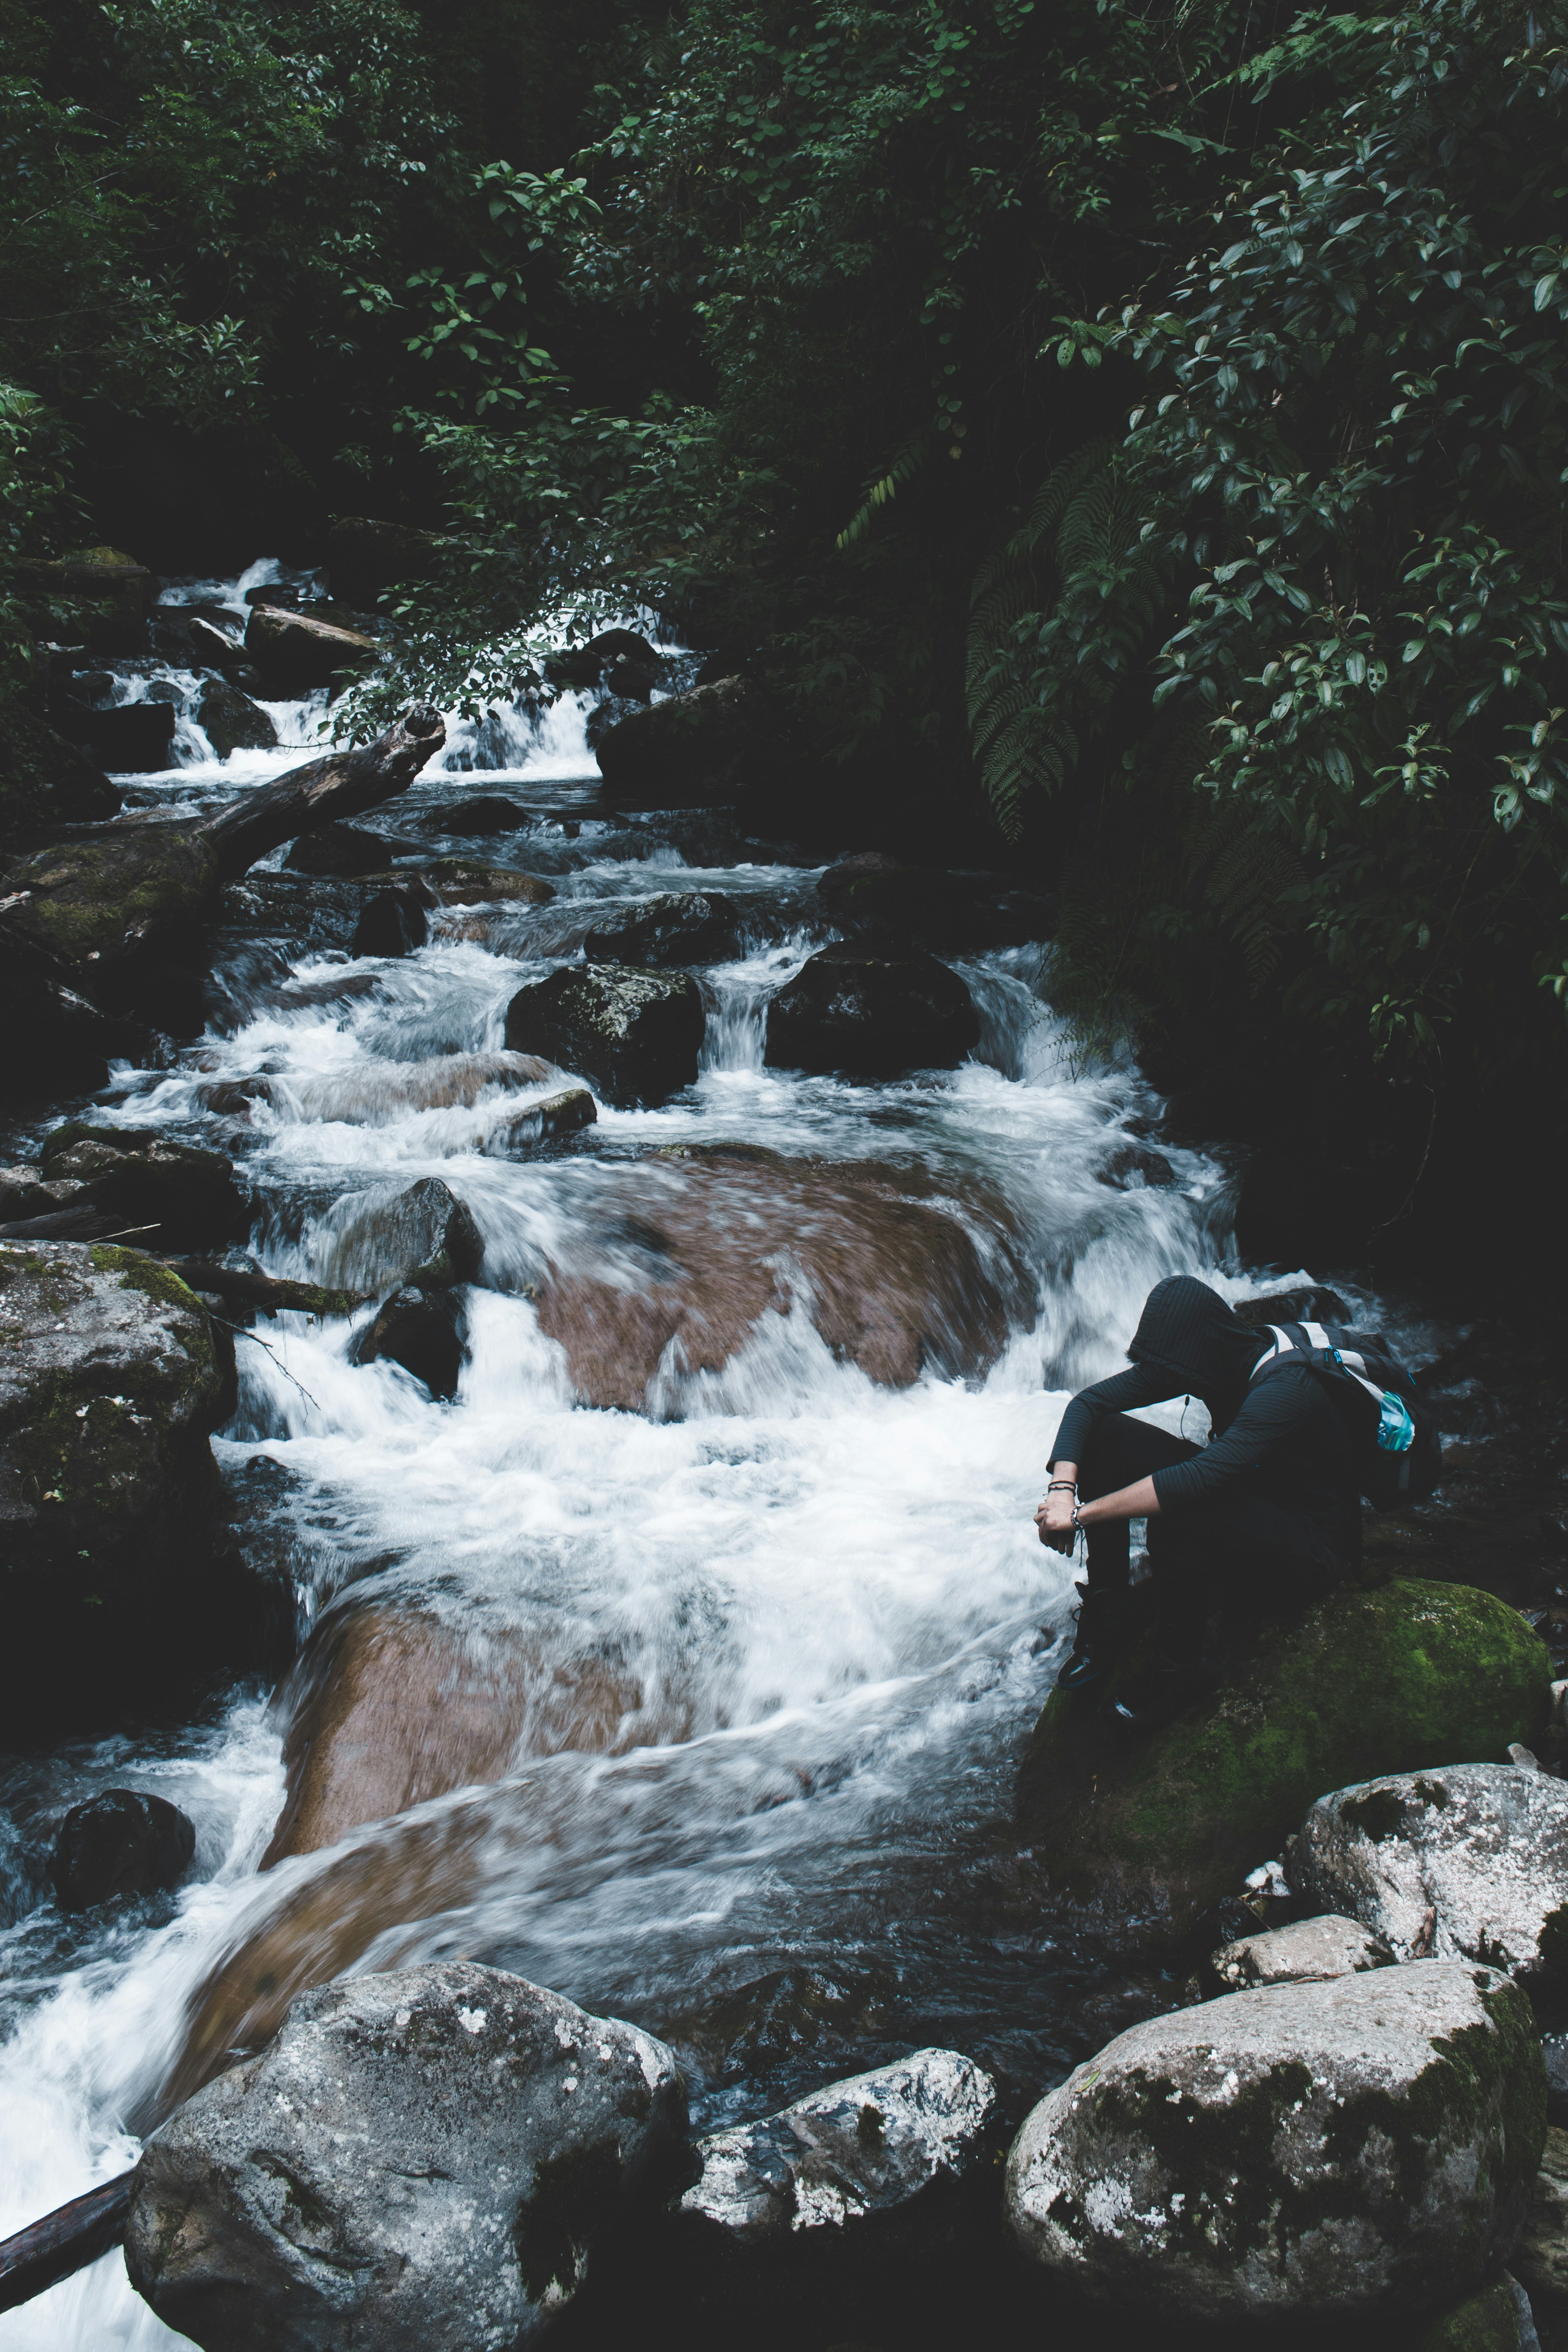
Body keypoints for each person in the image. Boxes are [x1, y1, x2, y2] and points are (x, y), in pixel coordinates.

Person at [1035, 1275, 1361, 1729]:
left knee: (1179, 1513)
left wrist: (1079, 1516)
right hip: (1252, 1491)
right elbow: (1087, 1405)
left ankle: (1179, 1674)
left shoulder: (1283, 1390)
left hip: (1313, 1547)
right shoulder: (1218, 1357)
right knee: (1105, 1435)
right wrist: (1061, 1490)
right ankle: (1111, 1610)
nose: (1165, 1381)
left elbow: (1197, 1481)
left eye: (1171, 1370)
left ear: (1198, 1351)